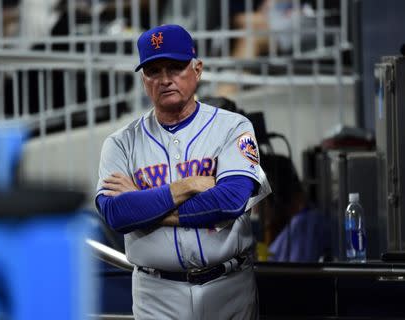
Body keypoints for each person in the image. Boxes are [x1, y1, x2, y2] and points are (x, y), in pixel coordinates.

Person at [95, 24, 270, 319]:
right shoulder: (121, 143)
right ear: (143, 80)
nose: (165, 79)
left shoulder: (233, 127)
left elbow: (230, 202)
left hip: (228, 287)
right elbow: (117, 214)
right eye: (153, 71)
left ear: (197, 70)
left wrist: (144, 204)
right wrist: (186, 186)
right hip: (156, 293)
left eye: (175, 67)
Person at [258, 153, 330, 262]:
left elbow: (296, 276)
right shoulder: (301, 224)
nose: (255, 210)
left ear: (277, 197)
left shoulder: (304, 226)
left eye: (260, 202)